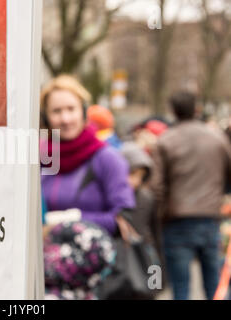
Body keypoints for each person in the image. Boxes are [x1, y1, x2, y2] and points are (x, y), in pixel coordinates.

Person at [151, 91, 231, 300]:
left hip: (177, 219)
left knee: (180, 286)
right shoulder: (217, 138)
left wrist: (160, 215)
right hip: (210, 217)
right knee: (214, 284)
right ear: (196, 108)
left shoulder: (165, 140)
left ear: (173, 111)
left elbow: (157, 186)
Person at [40, 75, 135, 236]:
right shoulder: (40, 159)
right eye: (56, 111)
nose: (65, 119)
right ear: (45, 118)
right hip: (43, 258)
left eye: (71, 109)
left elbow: (123, 219)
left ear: (83, 112)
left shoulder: (106, 158)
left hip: (96, 258)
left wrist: (71, 219)